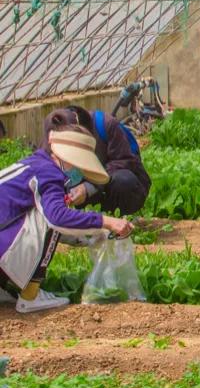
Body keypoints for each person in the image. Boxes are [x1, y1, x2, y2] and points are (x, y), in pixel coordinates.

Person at [0, 127, 132, 313]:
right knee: (54, 217)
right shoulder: (50, 173)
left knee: (48, 213)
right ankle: (30, 295)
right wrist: (106, 221)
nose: (80, 171)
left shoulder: (37, 164)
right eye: (79, 165)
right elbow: (57, 219)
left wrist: (89, 236)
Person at [42, 107, 151, 215]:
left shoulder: (105, 125)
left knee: (123, 180)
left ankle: (118, 218)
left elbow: (126, 161)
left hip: (111, 186)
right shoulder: (55, 133)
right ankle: (85, 220)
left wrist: (89, 186)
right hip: (80, 191)